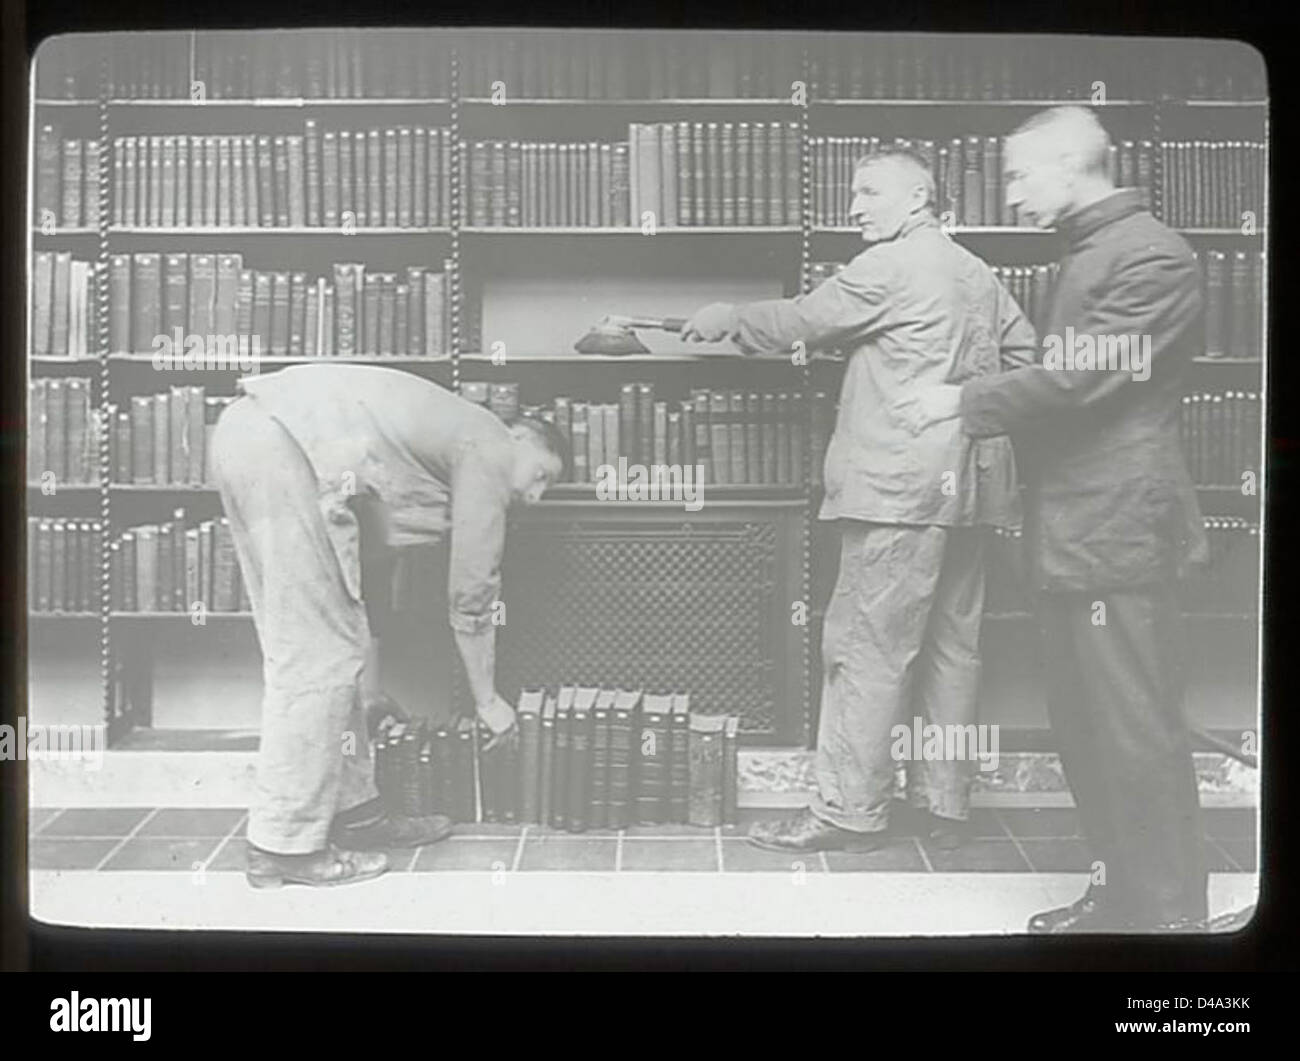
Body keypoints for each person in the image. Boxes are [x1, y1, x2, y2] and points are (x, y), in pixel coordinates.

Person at [899, 106, 1209, 932]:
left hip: (1117, 534)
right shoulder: (1093, 252)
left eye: (1021, 174)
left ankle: (1172, 921)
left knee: (1134, 733)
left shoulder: (1148, 254)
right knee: (1086, 731)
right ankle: (1121, 897)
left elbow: (1079, 380)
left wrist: (962, 401)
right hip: (1080, 532)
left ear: (1073, 163)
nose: (1010, 192)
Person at [681, 150, 1037, 853]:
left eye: (869, 191)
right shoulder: (979, 273)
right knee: (952, 650)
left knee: (866, 649)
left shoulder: (890, 266)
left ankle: (846, 810)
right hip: (967, 492)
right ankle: (944, 803)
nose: (854, 207)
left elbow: (804, 320)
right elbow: (1024, 365)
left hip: (896, 492)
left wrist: (728, 315)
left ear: (918, 198)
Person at [209, 364, 567, 888]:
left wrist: (370, 687)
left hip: (260, 438)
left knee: (331, 642)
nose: (535, 497)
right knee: (314, 655)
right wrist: (488, 702)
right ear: (519, 438)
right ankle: (280, 845)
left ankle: (357, 815)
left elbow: (364, 583)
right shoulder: (490, 442)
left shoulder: (425, 442)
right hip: (280, 448)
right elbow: (472, 592)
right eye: (542, 477)